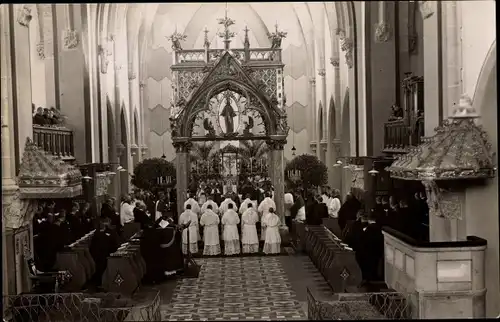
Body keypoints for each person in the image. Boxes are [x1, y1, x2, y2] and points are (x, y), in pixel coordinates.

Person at [89, 218, 120, 288]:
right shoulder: (97, 233)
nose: (104, 224)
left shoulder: (111, 232)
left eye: (106, 223)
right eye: (103, 223)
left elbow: (116, 243)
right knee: (100, 270)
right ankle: (99, 284)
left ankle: (107, 283)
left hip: (108, 254)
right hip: (99, 255)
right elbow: (92, 246)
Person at [357, 213, 384, 285]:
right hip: (377, 252)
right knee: (375, 266)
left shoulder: (367, 230)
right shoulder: (380, 229)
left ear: (369, 220)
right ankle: (374, 277)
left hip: (367, 252)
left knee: (368, 267)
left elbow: (363, 241)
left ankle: (368, 279)